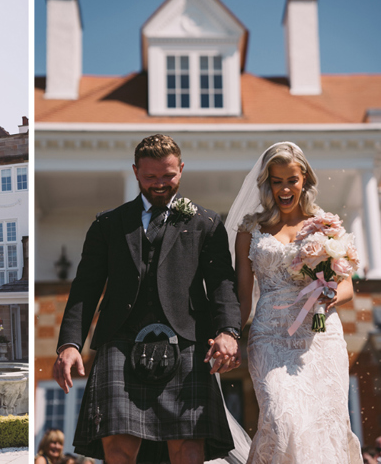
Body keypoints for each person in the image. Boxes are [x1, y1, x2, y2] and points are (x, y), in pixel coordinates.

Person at [53, 134, 242, 464]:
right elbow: (85, 288)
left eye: (168, 176)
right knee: (118, 445)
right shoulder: (108, 224)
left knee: (188, 448)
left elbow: (222, 286)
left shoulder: (206, 223)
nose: (159, 184)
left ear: (181, 169)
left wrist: (228, 332)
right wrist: (70, 344)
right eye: (150, 176)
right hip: (120, 339)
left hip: (187, 342)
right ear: (135, 172)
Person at [229, 141, 363, 463]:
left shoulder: (325, 226)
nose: (285, 189)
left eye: (292, 179)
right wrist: (229, 336)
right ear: (267, 184)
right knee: (282, 418)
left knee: (322, 425)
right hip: (269, 337)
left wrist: (328, 296)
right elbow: (242, 297)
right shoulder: (250, 229)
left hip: (319, 339)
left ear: (305, 179)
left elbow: (347, 287)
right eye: (277, 181)